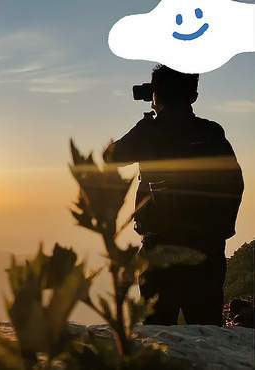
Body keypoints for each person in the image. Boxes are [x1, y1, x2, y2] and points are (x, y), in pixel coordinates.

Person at [103, 65, 244, 326]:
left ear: (155, 95)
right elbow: (235, 183)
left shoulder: (150, 132)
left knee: (157, 330)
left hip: (160, 249)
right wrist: (217, 231)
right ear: (193, 96)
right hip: (206, 250)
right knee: (206, 326)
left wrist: (144, 125)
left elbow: (110, 156)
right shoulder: (212, 133)